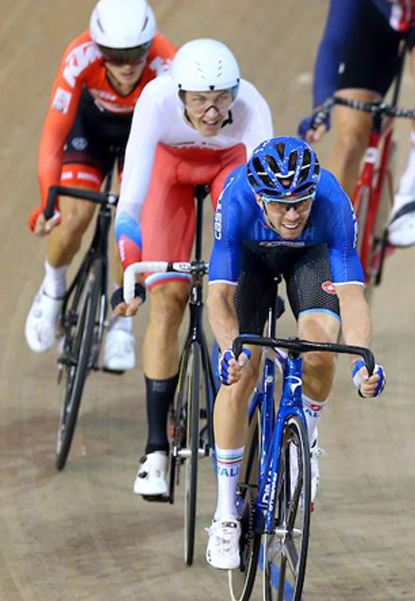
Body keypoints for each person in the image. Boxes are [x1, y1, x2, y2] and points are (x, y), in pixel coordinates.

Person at [204, 137, 387, 569]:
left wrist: (363, 361)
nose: (292, 214)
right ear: (259, 197)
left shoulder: (333, 203)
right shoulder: (236, 202)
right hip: (250, 263)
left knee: (320, 345)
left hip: (310, 260)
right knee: (240, 376)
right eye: (280, 206)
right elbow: (219, 297)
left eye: (301, 204)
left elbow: (353, 298)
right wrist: (233, 351)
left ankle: (309, 432)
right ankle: (225, 513)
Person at [113, 38, 274, 499]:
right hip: (171, 171)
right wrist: (131, 271)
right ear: (180, 94)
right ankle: (155, 450)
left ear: (235, 92)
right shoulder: (156, 99)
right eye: (200, 100)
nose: (212, 110)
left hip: (228, 168)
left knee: (234, 286)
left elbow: (264, 201)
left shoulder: (252, 107)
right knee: (169, 298)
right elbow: (132, 203)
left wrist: (260, 269)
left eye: (222, 98)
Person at [25, 0, 174, 371]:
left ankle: (121, 322)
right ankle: (53, 290)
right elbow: (53, 133)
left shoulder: (167, 63)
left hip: (140, 135)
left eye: (135, 54)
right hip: (88, 131)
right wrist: (49, 200)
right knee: (74, 216)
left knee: (131, 221)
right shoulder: (80, 55)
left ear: (149, 46)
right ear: (98, 49)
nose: (126, 66)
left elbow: (173, 136)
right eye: (114, 55)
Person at [300, 0, 415, 248]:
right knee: (350, 141)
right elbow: (333, 40)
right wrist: (321, 108)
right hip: (374, 16)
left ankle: (413, 185)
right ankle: (318, 244)